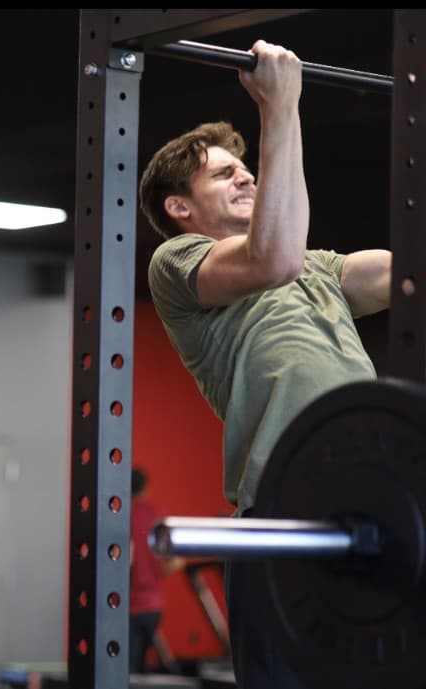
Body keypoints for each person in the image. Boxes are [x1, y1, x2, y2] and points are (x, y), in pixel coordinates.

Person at [140, 40, 391, 689]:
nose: (245, 176)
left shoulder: (319, 267)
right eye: (224, 174)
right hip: (284, 511)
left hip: (376, 495)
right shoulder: (181, 261)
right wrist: (281, 107)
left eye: (243, 169)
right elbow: (272, 257)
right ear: (180, 207)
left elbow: (402, 271)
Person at [128, 468, 183, 674]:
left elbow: (127, 559)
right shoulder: (156, 516)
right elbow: (177, 560)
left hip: (129, 607)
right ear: (145, 488)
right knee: (142, 669)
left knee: (126, 671)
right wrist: (154, 573)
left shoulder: (122, 514)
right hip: (153, 607)